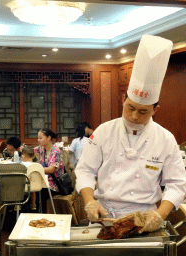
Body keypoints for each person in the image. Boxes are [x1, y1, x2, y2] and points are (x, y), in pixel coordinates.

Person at [75, 35, 186, 234]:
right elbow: (85, 170)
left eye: (143, 111)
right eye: (130, 108)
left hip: (144, 219)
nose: (134, 116)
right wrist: (90, 202)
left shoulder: (165, 139)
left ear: (155, 110)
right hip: (104, 215)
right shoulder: (103, 131)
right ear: (123, 101)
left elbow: (176, 184)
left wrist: (160, 214)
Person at [34, 128, 64, 212]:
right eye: (38, 138)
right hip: (44, 181)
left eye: (40, 138)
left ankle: (42, 215)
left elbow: (51, 169)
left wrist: (36, 169)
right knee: (33, 188)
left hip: (55, 184)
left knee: (40, 191)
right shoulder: (41, 148)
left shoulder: (56, 151)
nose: (38, 140)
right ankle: (37, 213)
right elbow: (30, 151)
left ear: (49, 138)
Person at [22, 145, 37, 211]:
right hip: (35, 186)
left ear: (23, 156)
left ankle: (17, 205)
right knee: (32, 191)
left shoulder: (22, 165)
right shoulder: (36, 165)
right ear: (33, 156)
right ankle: (33, 204)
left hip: (23, 186)